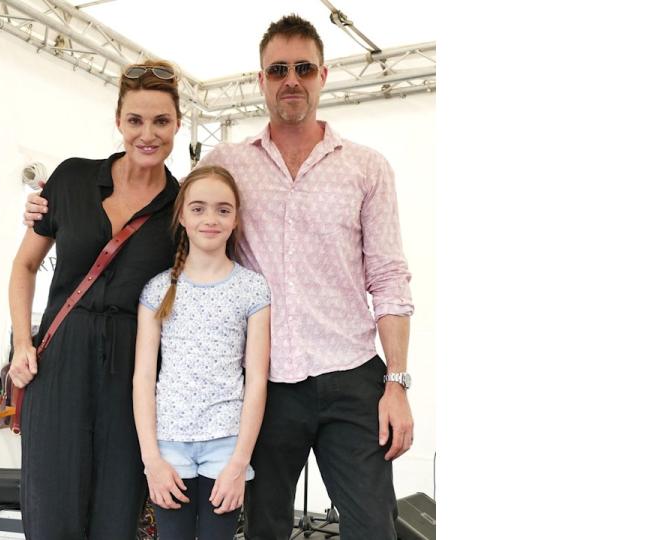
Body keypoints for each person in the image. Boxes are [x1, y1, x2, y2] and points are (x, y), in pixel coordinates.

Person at [25, 14, 416, 539]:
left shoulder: (368, 168)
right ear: (261, 80)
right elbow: (180, 221)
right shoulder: (229, 162)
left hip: (350, 374)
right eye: (278, 69)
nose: (291, 80)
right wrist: (43, 209)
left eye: (303, 68)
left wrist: (396, 383)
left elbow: (390, 278)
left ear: (324, 74)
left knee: (374, 527)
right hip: (271, 384)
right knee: (264, 529)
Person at [7, 60, 184, 539]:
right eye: (136, 120)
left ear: (178, 124)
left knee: (116, 515)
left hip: (134, 370)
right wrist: (23, 343)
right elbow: (24, 266)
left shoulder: (183, 205)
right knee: (50, 511)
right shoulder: (71, 179)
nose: (148, 134)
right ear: (119, 121)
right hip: (60, 360)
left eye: (161, 121)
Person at [133, 166, 271, 540]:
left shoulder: (253, 289)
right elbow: (143, 377)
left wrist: (239, 463)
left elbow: (257, 378)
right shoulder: (157, 288)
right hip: (168, 446)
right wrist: (151, 461)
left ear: (235, 219)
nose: (210, 218)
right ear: (182, 216)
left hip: (227, 447)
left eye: (223, 210)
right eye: (198, 208)